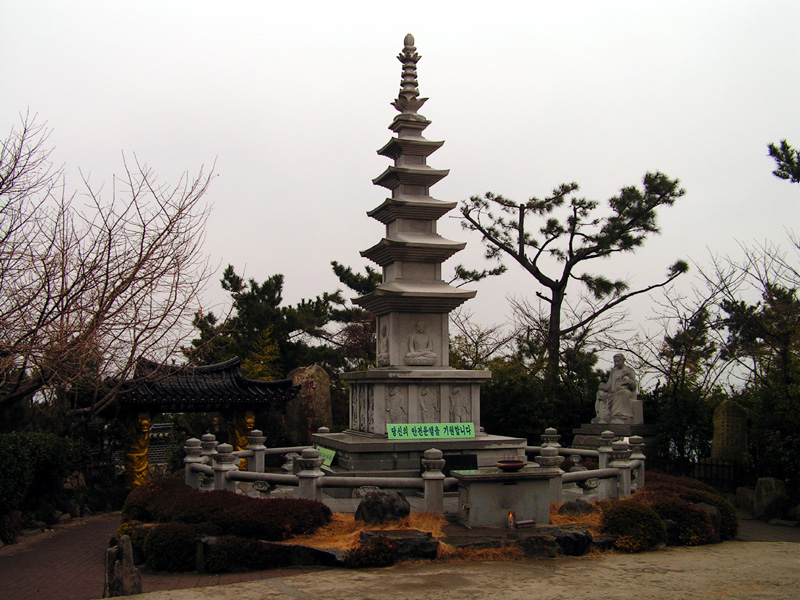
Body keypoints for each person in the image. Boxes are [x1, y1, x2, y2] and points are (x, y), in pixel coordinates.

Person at [593, 353, 637, 424]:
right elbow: (609, 385)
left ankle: (619, 414)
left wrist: (628, 381)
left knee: (622, 392)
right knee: (601, 394)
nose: (616, 363)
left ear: (622, 361)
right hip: (613, 392)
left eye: (618, 361)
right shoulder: (614, 372)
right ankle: (601, 416)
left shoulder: (629, 370)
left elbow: (633, 386)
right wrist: (602, 386)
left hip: (626, 392)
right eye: (615, 362)